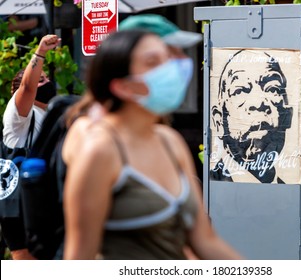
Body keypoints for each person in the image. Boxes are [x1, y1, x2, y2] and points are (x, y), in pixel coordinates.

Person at [62, 29, 241, 260]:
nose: (170, 70)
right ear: (122, 86)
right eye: (153, 62)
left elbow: (205, 241)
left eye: (168, 58)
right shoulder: (100, 150)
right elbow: (78, 259)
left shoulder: (170, 141)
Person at [0, 34, 60, 260]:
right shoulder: (19, 113)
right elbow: (27, 86)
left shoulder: (49, 114)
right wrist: (40, 53)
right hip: (20, 203)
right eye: (41, 79)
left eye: (46, 78)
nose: (47, 82)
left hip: (41, 197)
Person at [209, 49, 294, 184]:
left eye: (272, 89)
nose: (259, 102)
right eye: (240, 90)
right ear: (219, 121)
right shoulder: (209, 186)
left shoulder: (296, 194)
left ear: (287, 116)